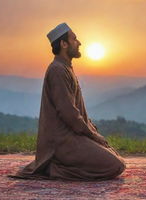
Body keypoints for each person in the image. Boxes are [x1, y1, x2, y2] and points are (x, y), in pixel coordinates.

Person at [7, 22, 126, 181]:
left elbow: (76, 111)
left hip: (73, 135)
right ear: (63, 44)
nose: (79, 43)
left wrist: (93, 133)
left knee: (114, 155)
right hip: (62, 141)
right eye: (74, 39)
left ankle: (60, 164)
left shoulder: (65, 67)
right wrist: (93, 136)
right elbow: (68, 113)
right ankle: (53, 168)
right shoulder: (57, 70)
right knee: (115, 166)